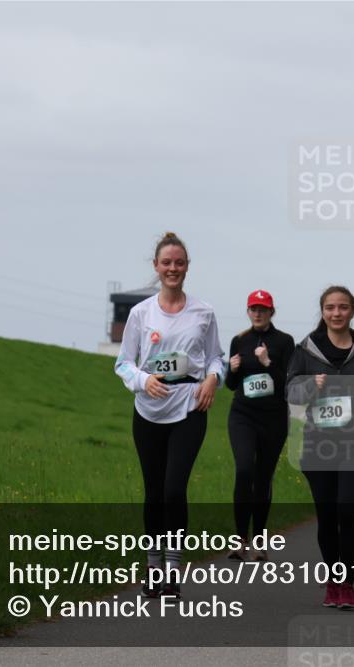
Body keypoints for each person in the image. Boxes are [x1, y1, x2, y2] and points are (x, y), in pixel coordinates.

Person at [114, 232, 225, 599]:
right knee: (154, 493)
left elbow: (216, 357)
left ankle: (174, 570)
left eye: (179, 263)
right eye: (167, 263)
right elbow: (123, 363)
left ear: (187, 267)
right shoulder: (140, 313)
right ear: (156, 267)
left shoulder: (203, 313)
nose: (173, 268)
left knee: (174, 490)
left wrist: (213, 378)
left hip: (190, 407)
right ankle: (153, 567)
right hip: (148, 411)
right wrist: (144, 380)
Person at [286, 286, 354, 610]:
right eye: (330, 307)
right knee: (327, 517)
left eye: (343, 307)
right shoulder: (306, 349)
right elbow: (290, 391)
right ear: (323, 311)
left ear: (352, 311)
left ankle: (347, 581)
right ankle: (332, 579)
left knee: (347, 512)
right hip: (319, 444)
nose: (336, 313)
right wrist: (308, 385)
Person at [224, 290, 295, 562]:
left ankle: (259, 540)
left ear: (271, 312)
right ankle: (240, 539)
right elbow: (231, 385)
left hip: (274, 417)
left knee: (263, 478)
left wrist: (268, 363)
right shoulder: (239, 341)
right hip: (243, 414)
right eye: (253, 308)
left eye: (263, 309)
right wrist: (232, 369)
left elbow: (290, 385)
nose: (257, 313)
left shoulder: (285, 342)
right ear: (248, 311)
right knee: (244, 470)